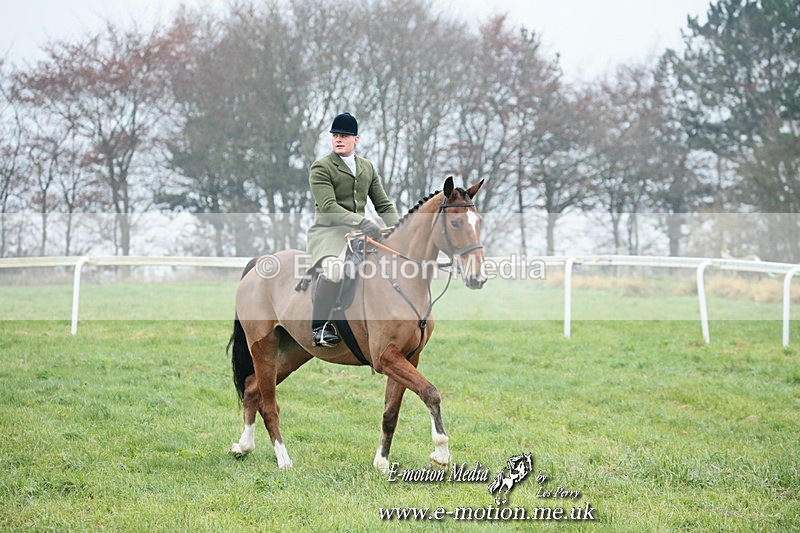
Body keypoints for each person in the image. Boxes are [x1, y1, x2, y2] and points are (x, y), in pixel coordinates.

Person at [306, 112, 400, 347]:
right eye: (335, 135)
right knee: (336, 270)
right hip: (330, 234)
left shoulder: (366, 167)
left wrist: (398, 229)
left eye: (344, 136)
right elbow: (328, 207)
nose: (338, 139)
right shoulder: (321, 167)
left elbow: (383, 204)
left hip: (359, 234)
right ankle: (319, 327)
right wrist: (362, 222)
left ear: (355, 139)